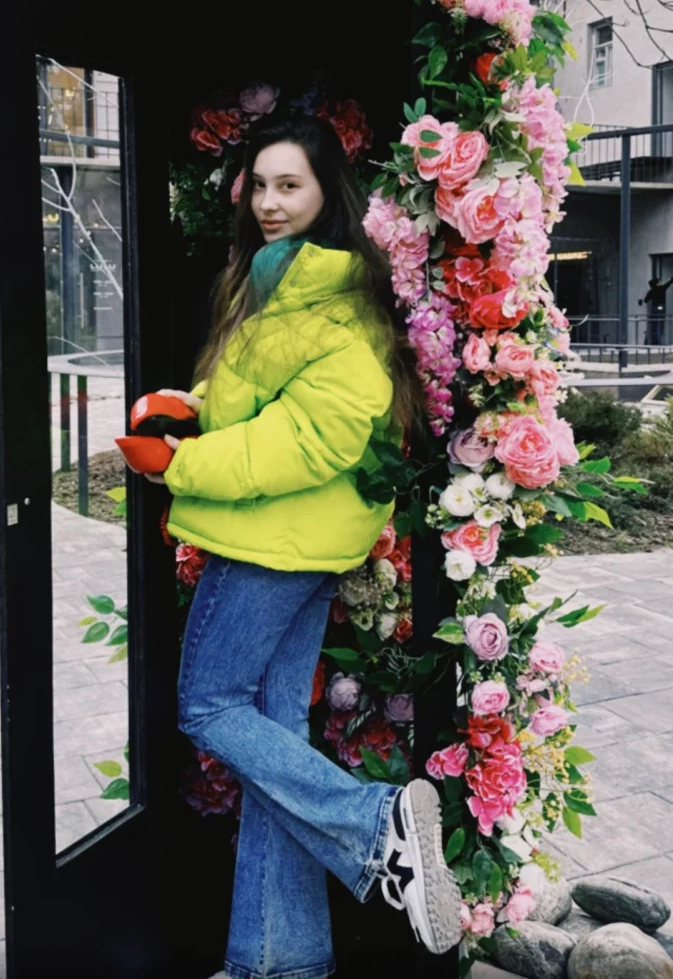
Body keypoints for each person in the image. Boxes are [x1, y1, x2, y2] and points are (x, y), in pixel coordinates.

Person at [141, 114, 462, 979]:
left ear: (328, 195)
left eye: (291, 185)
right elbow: (267, 401)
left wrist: (179, 464)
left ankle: (375, 824)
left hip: (273, 541)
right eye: (260, 184)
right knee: (273, 736)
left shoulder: (334, 299)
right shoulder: (280, 283)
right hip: (293, 540)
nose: (269, 202)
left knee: (208, 705)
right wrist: (192, 409)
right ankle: (280, 963)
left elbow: (308, 438)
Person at [643, 277, 673, 346]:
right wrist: (671, 280)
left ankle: (648, 341)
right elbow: (668, 283)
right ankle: (657, 341)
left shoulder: (651, 291)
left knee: (652, 326)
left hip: (653, 311)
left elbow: (646, 300)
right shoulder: (661, 289)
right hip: (661, 310)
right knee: (660, 326)